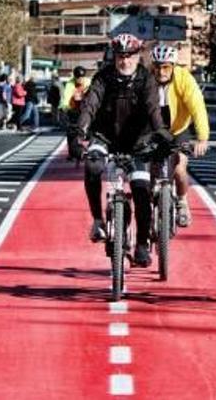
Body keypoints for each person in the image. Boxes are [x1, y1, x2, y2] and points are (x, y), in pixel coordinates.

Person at [73, 34, 171, 269]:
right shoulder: (103, 77)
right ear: (114, 57)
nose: (124, 61)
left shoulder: (146, 80)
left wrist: (161, 133)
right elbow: (90, 104)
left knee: (141, 188)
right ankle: (97, 220)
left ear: (138, 57)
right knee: (93, 164)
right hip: (105, 137)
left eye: (129, 56)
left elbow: (153, 109)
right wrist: (80, 131)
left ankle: (142, 244)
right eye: (120, 56)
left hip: (139, 141)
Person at [149, 44, 210, 227]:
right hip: (153, 129)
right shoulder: (146, 80)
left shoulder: (185, 79)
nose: (161, 71)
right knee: (151, 167)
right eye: (157, 67)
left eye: (166, 67)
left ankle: (182, 202)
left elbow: (197, 107)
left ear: (174, 66)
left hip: (179, 129)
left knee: (179, 169)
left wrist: (202, 138)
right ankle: (152, 199)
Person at [61, 66, 89, 159]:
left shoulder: (88, 83)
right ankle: (72, 153)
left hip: (85, 109)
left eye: (81, 78)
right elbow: (66, 96)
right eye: (78, 78)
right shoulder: (70, 83)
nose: (80, 80)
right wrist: (65, 107)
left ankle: (90, 150)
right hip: (73, 109)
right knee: (71, 132)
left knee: (90, 129)